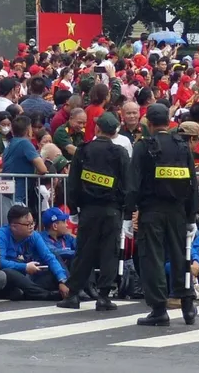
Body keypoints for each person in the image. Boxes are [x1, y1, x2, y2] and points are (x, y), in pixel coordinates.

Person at [128, 103, 199, 327]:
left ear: (148, 123)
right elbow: (192, 184)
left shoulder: (143, 146)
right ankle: (187, 303)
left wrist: (128, 213)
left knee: (153, 259)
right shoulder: (181, 145)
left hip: (152, 211)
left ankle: (159, 309)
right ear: (168, 122)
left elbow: (133, 184)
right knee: (181, 257)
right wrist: (191, 216)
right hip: (178, 211)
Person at [58, 112, 133, 311]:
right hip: (112, 210)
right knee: (110, 252)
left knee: (84, 251)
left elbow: (73, 183)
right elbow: (127, 185)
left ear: (97, 128)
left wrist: (73, 209)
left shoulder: (84, 150)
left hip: (88, 209)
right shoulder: (120, 153)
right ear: (115, 132)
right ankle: (103, 296)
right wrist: (127, 214)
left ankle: (73, 294)